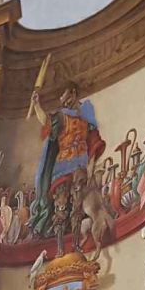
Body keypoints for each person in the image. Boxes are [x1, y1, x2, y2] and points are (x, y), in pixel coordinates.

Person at [29, 83, 105, 251]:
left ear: (72, 93)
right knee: (61, 205)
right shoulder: (61, 116)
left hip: (80, 165)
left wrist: (91, 165)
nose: (61, 98)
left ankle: (76, 244)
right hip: (62, 166)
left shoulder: (86, 118)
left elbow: (94, 141)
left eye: (63, 94)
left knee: (77, 205)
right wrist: (36, 105)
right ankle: (60, 249)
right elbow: (46, 122)